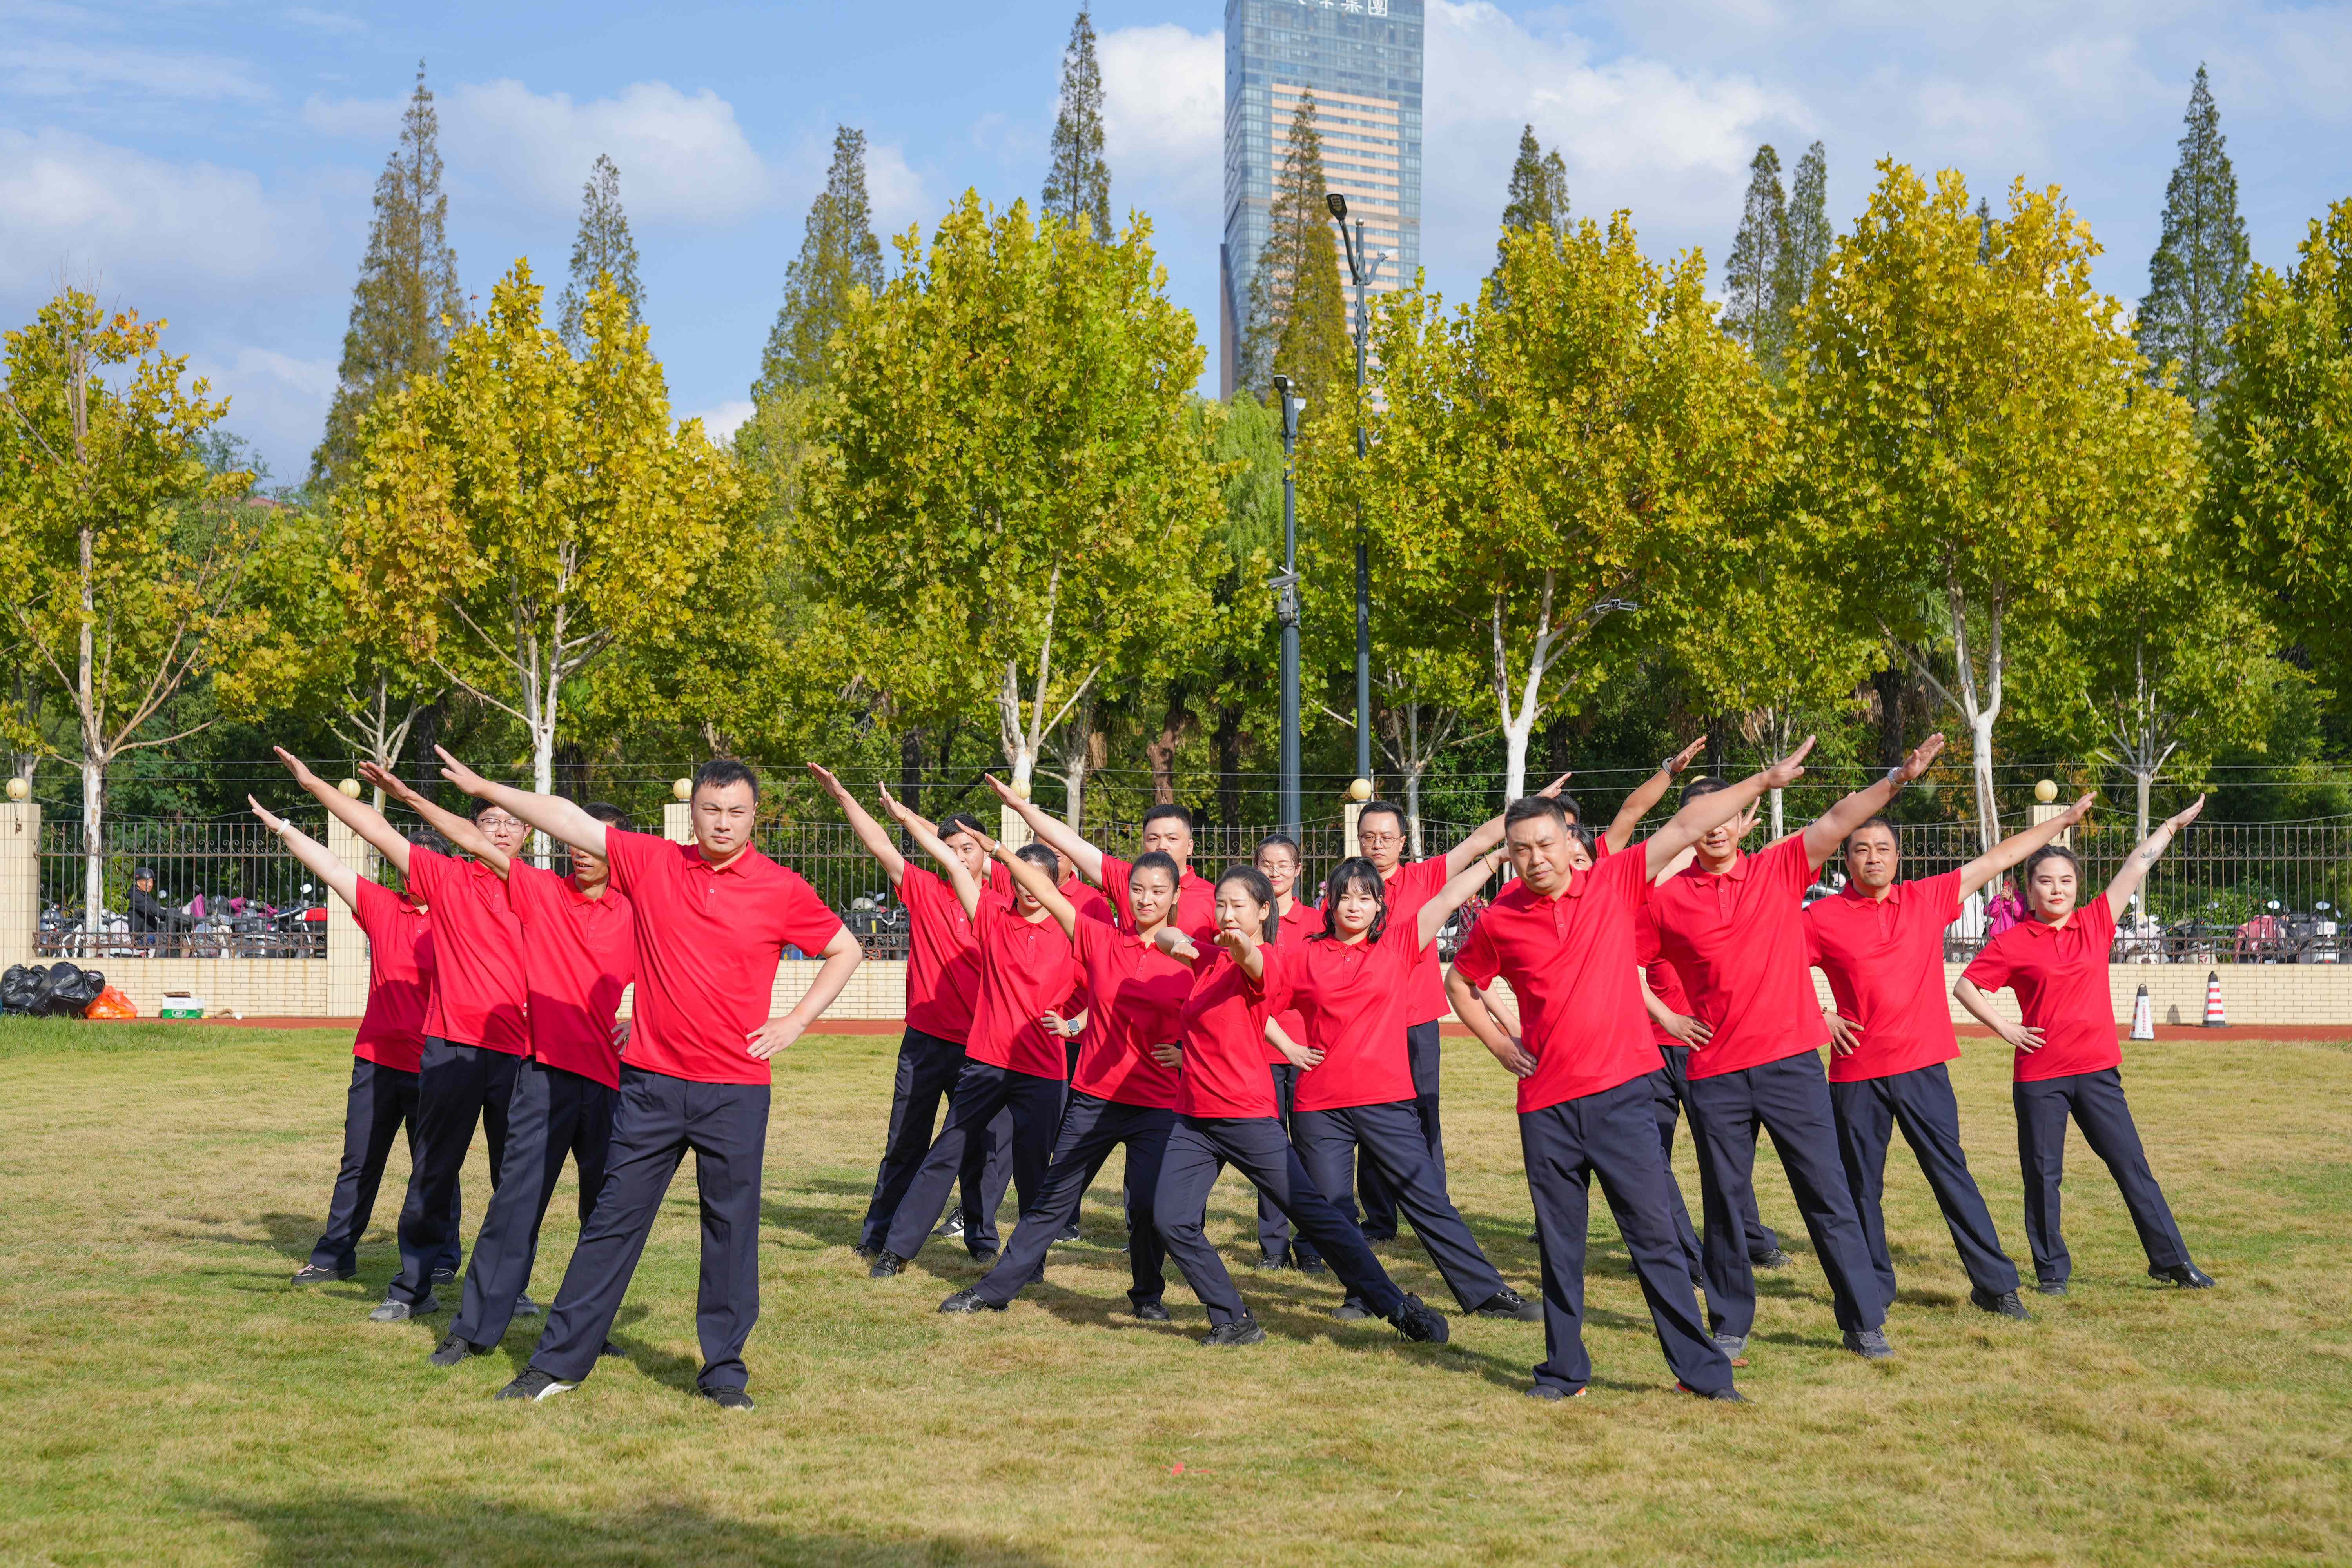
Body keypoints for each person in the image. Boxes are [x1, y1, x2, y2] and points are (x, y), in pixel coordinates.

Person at [439, 751, 862, 1409]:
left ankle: (724, 1373)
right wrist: (485, 786)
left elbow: (846, 948)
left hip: (736, 1091)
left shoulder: (780, 887)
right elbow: (566, 819)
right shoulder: (652, 861)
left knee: (730, 1232)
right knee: (611, 1224)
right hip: (651, 1087)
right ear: (692, 812)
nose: (723, 823)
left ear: (755, 816)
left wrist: (795, 1022)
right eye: (711, 809)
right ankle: (557, 1364)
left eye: (736, 812)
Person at [1446, 750, 1808, 1402]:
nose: (1535, 859)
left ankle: (1702, 1374)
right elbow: (1460, 981)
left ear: (1570, 842)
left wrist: (1763, 781)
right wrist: (1501, 1046)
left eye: (1546, 844)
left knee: (1655, 1241)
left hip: (1622, 1099)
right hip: (1546, 1108)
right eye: (1521, 849)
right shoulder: (1501, 918)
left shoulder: (1614, 883)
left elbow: (1685, 824)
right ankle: (1564, 1372)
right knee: (1561, 1248)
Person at [1648, 736, 1950, 1365]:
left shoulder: (1779, 868)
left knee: (1828, 1194)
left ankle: (1863, 1322)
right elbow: (1615, 958)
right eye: (1700, 819)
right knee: (1725, 1202)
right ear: (1686, 829)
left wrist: (1897, 778)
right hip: (1716, 1074)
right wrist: (1667, 1015)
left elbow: (1839, 818)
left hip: (1791, 1067)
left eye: (1726, 815)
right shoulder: (1665, 900)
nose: (1715, 828)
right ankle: (1730, 1322)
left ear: (1745, 820)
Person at [352, 765, 640, 1368]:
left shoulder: (637, 916)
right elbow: (474, 841)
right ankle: (473, 1330)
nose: (579, 851)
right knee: (513, 1207)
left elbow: (683, 971)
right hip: (541, 1073)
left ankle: (591, 1329)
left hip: (607, 1081)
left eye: (593, 843)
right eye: (573, 840)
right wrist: (412, 797)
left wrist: (640, 1022)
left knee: (604, 1212)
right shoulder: (544, 891)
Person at [1347, 749, 1690, 1239]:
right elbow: (1464, 977)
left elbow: (1480, 842)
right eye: (1369, 837)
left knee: (1423, 1117)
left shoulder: (1428, 876)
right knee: (1366, 1116)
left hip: (1417, 1020)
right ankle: (1380, 1219)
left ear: (1403, 841)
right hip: (1363, 1027)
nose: (1377, 844)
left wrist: (1527, 809)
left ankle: (1435, 1217)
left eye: (1386, 837)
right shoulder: (1345, 892)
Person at [1806, 799, 2098, 1322]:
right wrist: (1820, 1014)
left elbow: (1999, 858)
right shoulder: (1820, 918)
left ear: (1899, 857)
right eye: (1861, 850)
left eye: (1883, 849)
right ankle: (1873, 1288)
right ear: (1845, 860)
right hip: (1856, 1074)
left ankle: (1996, 1286)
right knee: (1860, 1188)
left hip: (1923, 1066)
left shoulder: (1927, 898)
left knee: (1951, 1176)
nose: (1873, 858)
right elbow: (1771, 965)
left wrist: (2062, 822)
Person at [275, 747, 531, 1325]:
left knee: (514, 1178)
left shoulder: (540, 891)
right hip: (449, 1050)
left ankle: (510, 1287)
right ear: (470, 829)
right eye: (489, 820)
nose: (500, 830)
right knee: (432, 1172)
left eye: (512, 822)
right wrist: (314, 785)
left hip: (515, 1054)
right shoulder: (447, 879)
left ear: (528, 833)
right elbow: (375, 829)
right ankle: (413, 1287)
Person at [1145, 865, 1450, 1349]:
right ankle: (1233, 1318)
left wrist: (1242, 946)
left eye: (1238, 906)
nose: (1227, 914)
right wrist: (1180, 940)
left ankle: (1396, 1306)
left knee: (1315, 1217)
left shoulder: (1265, 959)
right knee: (1170, 1219)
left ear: (1264, 911)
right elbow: (1163, 936)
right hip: (1195, 1117)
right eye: (1221, 904)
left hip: (1247, 1115)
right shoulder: (1209, 959)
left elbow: (1253, 961)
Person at [1258, 853, 1539, 1323]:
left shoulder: (1398, 943)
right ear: (1329, 904)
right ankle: (1362, 1295)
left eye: (1365, 897)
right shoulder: (1304, 955)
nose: (1354, 906)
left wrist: (1497, 857)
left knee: (1427, 1197)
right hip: (1319, 1106)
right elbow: (1258, 1003)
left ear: (1379, 906)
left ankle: (1488, 1293)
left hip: (1386, 1100)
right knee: (1334, 1210)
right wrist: (1289, 1047)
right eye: (1344, 897)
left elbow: (1449, 896)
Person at [1956, 799, 2217, 1296]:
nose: (2057, 889)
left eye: (2066, 881)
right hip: (2039, 1077)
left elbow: (2136, 866)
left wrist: (2170, 826)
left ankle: (2171, 1260)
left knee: (2131, 1165)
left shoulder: (2096, 921)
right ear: (2029, 889)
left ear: (2077, 885)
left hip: (2098, 1072)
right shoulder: (2012, 943)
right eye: (2045, 881)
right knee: (2042, 1176)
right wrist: (2007, 1028)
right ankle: (2052, 1271)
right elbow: (1966, 986)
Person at [938, 838, 1191, 1319]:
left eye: (1158, 891)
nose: (1146, 899)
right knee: (1052, 1199)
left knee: (1146, 1206)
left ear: (1175, 896)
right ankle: (993, 1291)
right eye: (1138, 889)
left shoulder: (1189, 957)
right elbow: (1048, 893)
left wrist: (1188, 1053)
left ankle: (1147, 1297)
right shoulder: (1101, 939)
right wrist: (1001, 853)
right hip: (1094, 1098)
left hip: (1156, 1103)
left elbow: (1229, 1014)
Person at [867, 787, 1077, 1277]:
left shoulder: (1074, 932)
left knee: (1032, 1168)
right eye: (1022, 878)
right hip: (986, 1062)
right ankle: (896, 1250)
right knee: (946, 1153)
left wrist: (1075, 1024)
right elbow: (954, 863)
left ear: (1055, 885)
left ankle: (1031, 1261)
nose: (1030, 888)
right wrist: (907, 818)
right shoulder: (993, 918)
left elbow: (1107, 989)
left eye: (1040, 880)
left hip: (1042, 1070)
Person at [808, 766, 1014, 1262]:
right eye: (951, 847)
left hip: (982, 1047)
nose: (960, 856)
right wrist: (843, 796)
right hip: (925, 1042)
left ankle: (982, 1242)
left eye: (969, 847)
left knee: (979, 1150)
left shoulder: (1003, 903)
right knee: (905, 1144)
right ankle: (876, 1236)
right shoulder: (924, 889)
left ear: (984, 854)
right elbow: (880, 845)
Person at [255, 798, 461, 1288]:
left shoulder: (460, 919)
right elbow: (330, 865)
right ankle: (334, 1255)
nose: (410, 871)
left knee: (435, 1166)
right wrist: (283, 828)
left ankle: (442, 1255)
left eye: (421, 863)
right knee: (359, 1162)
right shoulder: (382, 906)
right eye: (404, 862)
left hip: (435, 1060)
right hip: (376, 1060)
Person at [1250, 832, 1325, 1274]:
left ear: (1298, 870)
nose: (1275, 872)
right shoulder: (1247, 919)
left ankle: (1313, 1244)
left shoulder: (1318, 921)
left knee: (1314, 1150)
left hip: (1311, 1050)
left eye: (1283, 865)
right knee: (1271, 1151)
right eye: (1266, 864)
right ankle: (1274, 1247)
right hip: (1259, 1051)